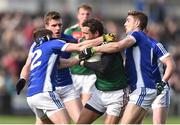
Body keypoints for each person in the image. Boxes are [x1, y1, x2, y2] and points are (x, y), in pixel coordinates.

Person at [79, 10, 175, 124]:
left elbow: (117, 46)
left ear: (137, 24)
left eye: (128, 21)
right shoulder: (139, 41)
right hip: (141, 89)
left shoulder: (136, 34)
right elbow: (116, 42)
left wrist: (93, 49)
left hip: (144, 88)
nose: (125, 24)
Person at [16, 11, 83, 123]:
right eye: (54, 25)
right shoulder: (38, 44)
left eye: (60, 25)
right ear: (46, 26)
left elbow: (64, 62)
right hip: (47, 89)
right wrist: (22, 78)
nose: (57, 28)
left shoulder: (70, 39)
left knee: (82, 121)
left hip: (65, 86)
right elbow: (28, 65)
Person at [76, 18, 129, 124]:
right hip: (99, 93)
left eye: (86, 33)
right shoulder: (86, 44)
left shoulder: (108, 45)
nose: (83, 36)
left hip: (117, 93)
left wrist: (83, 63)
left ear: (96, 33)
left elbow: (102, 68)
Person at [64, 4, 95, 105]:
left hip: (90, 73)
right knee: (72, 105)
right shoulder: (70, 31)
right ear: (78, 15)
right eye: (82, 14)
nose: (85, 16)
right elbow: (64, 52)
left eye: (87, 14)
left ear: (91, 16)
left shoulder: (96, 32)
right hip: (74, 72)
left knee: (86, 104)